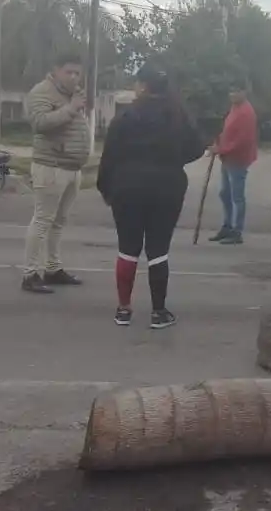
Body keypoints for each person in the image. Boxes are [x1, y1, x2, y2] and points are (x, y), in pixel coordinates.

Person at [97, 65, 205, 329]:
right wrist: (173, 161)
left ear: (144, 86)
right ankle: (159, 312)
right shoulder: (178, 116)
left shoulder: (125, 117)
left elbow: (109, 156)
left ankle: (124, 309)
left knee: (127, 249)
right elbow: (197, 148)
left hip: (127, 187)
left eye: (137, 83)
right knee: (158, 250)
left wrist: (106, 189)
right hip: (167, 187)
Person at [22, 53, 89, 294]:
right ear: (56, 70)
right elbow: (40, 123)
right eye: (69, 72)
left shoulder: (74, 94)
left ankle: (52, 268)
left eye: (77, 73)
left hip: (72, 167)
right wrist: (71, 109)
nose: (74, 77)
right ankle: (30, 273)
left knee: (59, 222)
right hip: (51, 166)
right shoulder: (42, 91)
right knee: (43, 220)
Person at [208, 83, 257, 246]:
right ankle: (227, 226)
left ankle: (237, 231)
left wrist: (221, 148)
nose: (232, 94)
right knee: (225, 194)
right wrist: (218, 144)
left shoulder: (246, 112)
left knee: (237, 197)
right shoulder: (234, 108)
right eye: (230, 91)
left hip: (238, 159)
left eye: (236, 91)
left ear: (244, 92)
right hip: (227, 157)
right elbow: (228, 131)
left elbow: (242, 140)